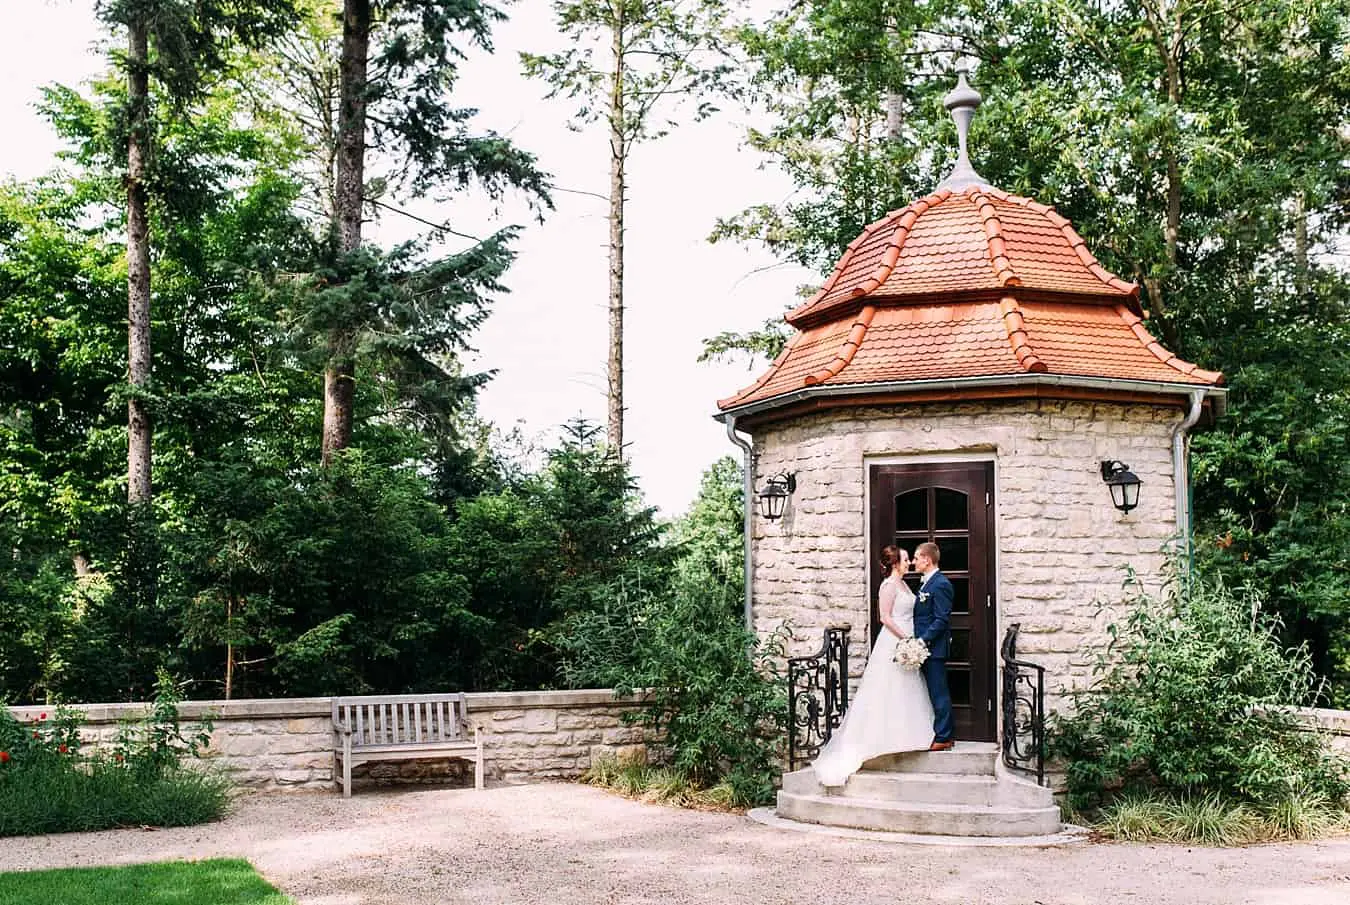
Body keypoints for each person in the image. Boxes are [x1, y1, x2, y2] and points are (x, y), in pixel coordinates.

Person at [811, 545, 934, 787]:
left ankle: (908, 734)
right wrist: (905, 639)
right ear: (895, 563)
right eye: (906, 559)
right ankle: (880, 738)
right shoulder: (888, 585)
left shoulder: (904, 584)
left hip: (907, 638)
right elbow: (885, 617)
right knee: (889, 687)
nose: (909, 562)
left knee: (907, 687)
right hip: (895, 640)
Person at [912, 541, 955, 750]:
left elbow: (941, 619)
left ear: (927, 560)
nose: (913, 562)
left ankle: (944, 736)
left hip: (933, 648)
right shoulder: (926, 583)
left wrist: (923, 640)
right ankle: (943, 733)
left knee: (939, 692)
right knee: (933, 691)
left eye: (916, 558)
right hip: (924, 648)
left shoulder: (941, 584)